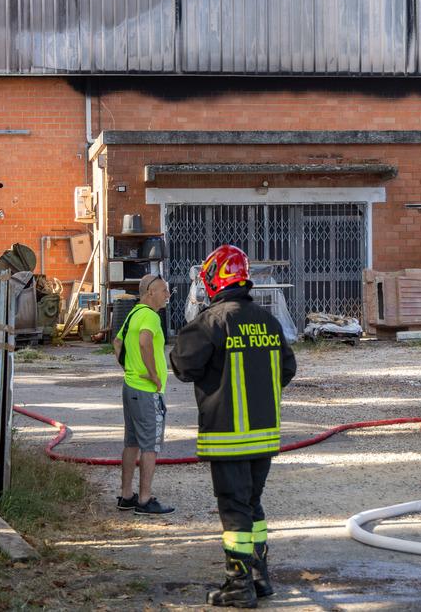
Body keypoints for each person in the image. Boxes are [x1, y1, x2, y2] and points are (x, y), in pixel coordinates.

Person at [170, 245, 296, 608]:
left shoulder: (211, 322)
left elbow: (183, 367)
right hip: (264, 435)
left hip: (228, 435)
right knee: (253, 504)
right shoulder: (268, 321)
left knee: (234, 508)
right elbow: (287, 370)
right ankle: (260, 577)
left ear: (214, 279)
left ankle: (237, 585)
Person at [113, 273, 174, 515]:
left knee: (132, 442)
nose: (167, 295)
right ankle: (145, 500)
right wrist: (152, 373)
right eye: (163, 291)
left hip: (131, 387)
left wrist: (130, 368)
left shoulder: (133, 314)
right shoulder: (150, 316)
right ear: (150, 292)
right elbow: (145, 341)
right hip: (147, 391)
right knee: (150, 446)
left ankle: (127, 495)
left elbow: (117, 343)